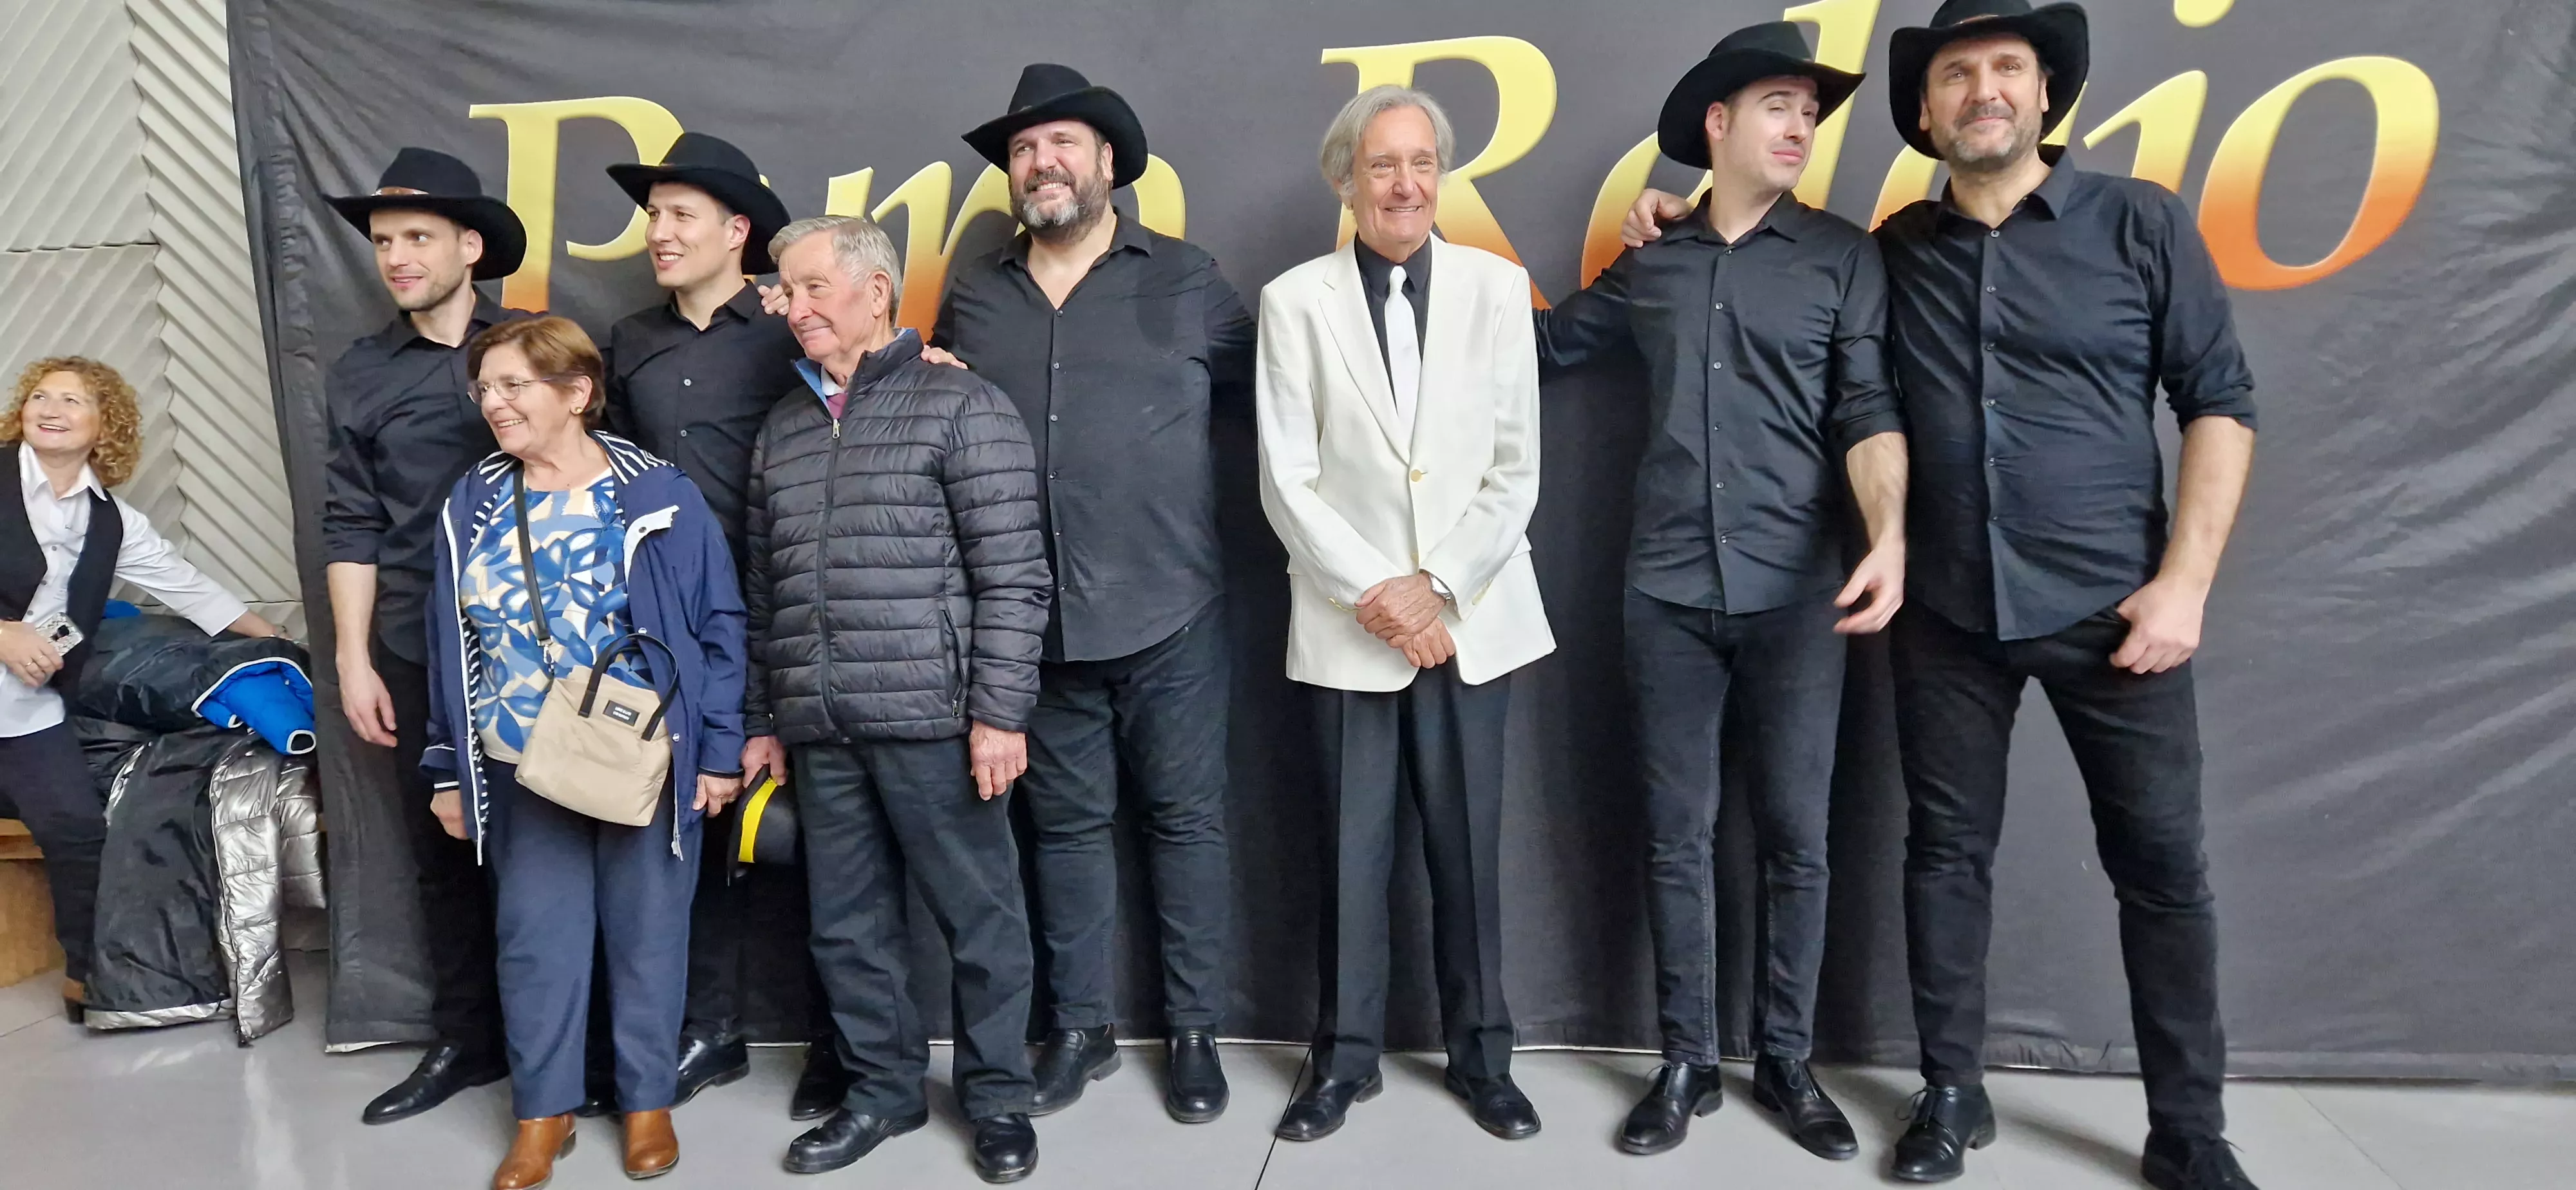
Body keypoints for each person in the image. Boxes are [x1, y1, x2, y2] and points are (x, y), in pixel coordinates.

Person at [1622, 1, 2259, 1184]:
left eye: (2006, 68)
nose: (1984, 92)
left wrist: (2185, 583)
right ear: (1927, 110)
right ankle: (1954, 1094)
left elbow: (2219, 400)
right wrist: (1673, 216)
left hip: (2118, 610)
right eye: (1958, 74)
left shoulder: (2140, 223)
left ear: (2043, 92)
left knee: (2163, 869)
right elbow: (1807, 331)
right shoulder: (1890, 249)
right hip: (1948, 612)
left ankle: (2189, 1131)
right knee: (1945, 855)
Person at [1534, 23, 1907, 1162]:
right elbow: (1541, 351)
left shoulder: (1845, 256)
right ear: (1719, 124)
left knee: (1798, 834)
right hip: (1664, 590)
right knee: (1675, 836)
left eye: (1810, 110)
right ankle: (1687, 1059)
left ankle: (1786, 1059)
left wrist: (1889, 532)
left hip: (1802, 592)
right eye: (1780, 106)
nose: (1801, 127)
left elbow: (1867, 411)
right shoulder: (1654, 260)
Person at [938, 63, 1255, 1124]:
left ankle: (1198, 1030)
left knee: (1186, 821)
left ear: (1110, 162)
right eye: (1025, 150)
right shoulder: (977, 290)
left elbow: (1284, 399)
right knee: (1065, 832)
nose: (1042, 162)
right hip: (1034, 618)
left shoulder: (1187, 277)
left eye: (1062, 142)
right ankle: (1080, 1026)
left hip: (1173, 605)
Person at [1256, 85, 1555, 1144]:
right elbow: (1287, 480)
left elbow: (1515, 471)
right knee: (1350, 856)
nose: (1406, 183)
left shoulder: (1498, 287)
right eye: (1383, 164)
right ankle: (1342, 1062)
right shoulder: (1296, 301)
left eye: (1423, 162)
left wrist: (1440, 590)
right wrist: (1381, 598)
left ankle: (1486, 1058)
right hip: (1348, 627)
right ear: (1347, 179)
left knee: (1470, 855)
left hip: (1473, 617)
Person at [743, 214, 1048, 1183]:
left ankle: (999, 1098)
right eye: (787, 291)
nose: (795, 308)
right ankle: (882, 1093)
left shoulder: (961, 406)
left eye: (813, 287)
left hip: (937, 723)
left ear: (877, 292)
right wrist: (766, 718)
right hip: (822, 728)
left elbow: (1015, 576)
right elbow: (764, 590)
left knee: (981, 918)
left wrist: (999, 713)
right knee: (847, 926)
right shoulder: (783, 427)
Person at [419, 315, 748, 1189]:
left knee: (648, 935)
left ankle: (646, 1104)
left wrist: (716, 754)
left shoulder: (655, 492)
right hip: (519, 761)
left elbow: (718, 627)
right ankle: (544, 1113)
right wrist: (449, 767)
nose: (493, 403)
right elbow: (449, 639)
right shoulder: (474, 501)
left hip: (641, 758)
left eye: (513, 385)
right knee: (535, 942)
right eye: (484, 388)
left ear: (575, 392)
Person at [599, 131, 845, 1118]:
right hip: (673, 632)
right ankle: (712, 1030)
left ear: (737, 231)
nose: (658, 233)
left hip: (793, 615)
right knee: (686, 839)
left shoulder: (795, 332)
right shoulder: (628, 343)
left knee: (829, 839)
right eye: (653, 216)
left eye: (679, 216)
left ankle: (839, 1041)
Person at [320, 146, 528, 1124]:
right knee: (442, 855)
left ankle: (574, 1047)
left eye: (417, 238)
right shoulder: (363, 373)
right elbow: (350, 523)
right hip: (415, 645)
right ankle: (466, 1041)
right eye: (383, 242)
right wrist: (355, 657)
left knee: (561, 845)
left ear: (469, 246)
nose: (397, 257)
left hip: (540, 647)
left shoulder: (539, 344)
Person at [0, 357, 284, 1022]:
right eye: (42, 396)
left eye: (74, 401)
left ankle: (86, 974)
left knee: (77, 829)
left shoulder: (112, 521)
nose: (52, 408)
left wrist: (273, 641)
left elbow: (188, 587)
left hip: (28, 705)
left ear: (106, 426)